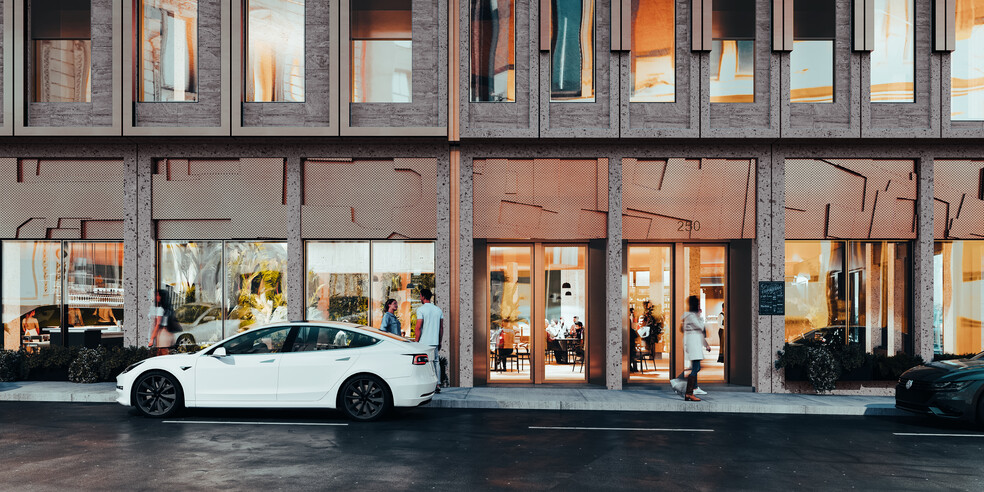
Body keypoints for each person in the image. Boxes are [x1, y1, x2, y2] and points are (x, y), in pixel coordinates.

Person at [671, 295, 711, 401]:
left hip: (693, 343)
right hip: (693, 345)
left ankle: (693, 388)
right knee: (696, 368)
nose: (699, 306)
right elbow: (701, 327)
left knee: (695, 367)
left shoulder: (688, 316)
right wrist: (700, 315)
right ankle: (687, 390)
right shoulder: (692, 316)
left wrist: (706, 344)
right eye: (698, 304)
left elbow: (698, 331)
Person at [414, 288, 444, 393]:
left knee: (424, 363)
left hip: (423, 342)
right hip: (434, 341)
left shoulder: (421, 310)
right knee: (436, 362)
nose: (420, 298)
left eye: (420, 296)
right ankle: (438, 384)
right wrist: (440, 341)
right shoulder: (438, 310)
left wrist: (416, 342)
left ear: (422, 296)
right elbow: (441, 328)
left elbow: (418, 327)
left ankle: (425, 385)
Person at [148, 289, 175, 355]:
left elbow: (158, 324)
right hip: (169, 334)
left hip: (163, 334)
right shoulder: (169, 308)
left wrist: (151, 338)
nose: (156, 297)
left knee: (163, 356)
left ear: (161, 297)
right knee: (162, 354)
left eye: (157, 295)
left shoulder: (161, 309)